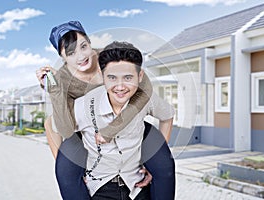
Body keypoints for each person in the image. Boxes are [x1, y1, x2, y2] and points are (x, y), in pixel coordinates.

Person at [36, 21, 175, 200]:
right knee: (65, 170)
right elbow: (60, 126)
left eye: (83, 46)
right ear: (62, 58)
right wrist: (73, 167)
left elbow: (144, 93)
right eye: (70, 53)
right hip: (88, 126)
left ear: (89, 42)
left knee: (165, 167)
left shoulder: (114, 58)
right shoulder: (62, 78)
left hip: (129, 118)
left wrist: (112, 129)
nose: (80, 56)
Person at [74, 41, 175, 199]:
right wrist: (72, 174)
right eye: (112, 78)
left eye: (128, 77)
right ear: (102, 76)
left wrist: (154, 159)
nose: (120, 87)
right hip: (99, 189)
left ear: (139, 76)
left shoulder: (146, 99)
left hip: (137, 187)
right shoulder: (82, 106)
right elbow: (54, 129)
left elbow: (167, 116)